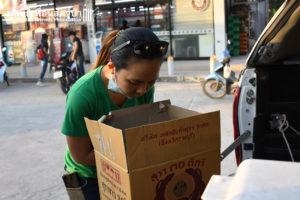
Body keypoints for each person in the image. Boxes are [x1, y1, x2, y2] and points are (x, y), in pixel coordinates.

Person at [61, 27, 169, 200]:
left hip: (123, 167)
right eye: (134, 82)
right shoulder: (82, 96)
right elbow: (81, 156)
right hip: (88, 177)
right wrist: (132, 156)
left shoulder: (146, 87)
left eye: (151, 81)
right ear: (112, 67)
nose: (142, 90)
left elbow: (140, 131)